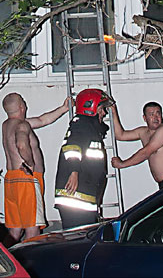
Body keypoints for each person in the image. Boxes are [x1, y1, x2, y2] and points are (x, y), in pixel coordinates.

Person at [1, 92, 70, 242]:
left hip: (11, 179)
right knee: (32, 228)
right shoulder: (22, 125)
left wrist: (63, 108)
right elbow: (21, 144)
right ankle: (30, 256)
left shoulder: (7, 125)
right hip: (26, 180)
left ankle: (1, 254)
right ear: (22, 106)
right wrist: (30, 163)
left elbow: (42, 120)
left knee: (15, 230)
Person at [54, 88, 113, 229]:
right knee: (77, 238)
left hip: (84, 194)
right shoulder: (82, 124)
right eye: (101, 109)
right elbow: (72, 147)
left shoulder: (90, 128)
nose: (104, 113)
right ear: (90, 108)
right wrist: (74, 172)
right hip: (75, 197)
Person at [110, 100, 163, 190]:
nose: (156, 117)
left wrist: (122, 164)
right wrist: (114, 112)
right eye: (151, 114)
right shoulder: (143, 132)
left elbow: (146, 152)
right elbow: (120, 135)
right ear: (145, 118)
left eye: (158, 114)